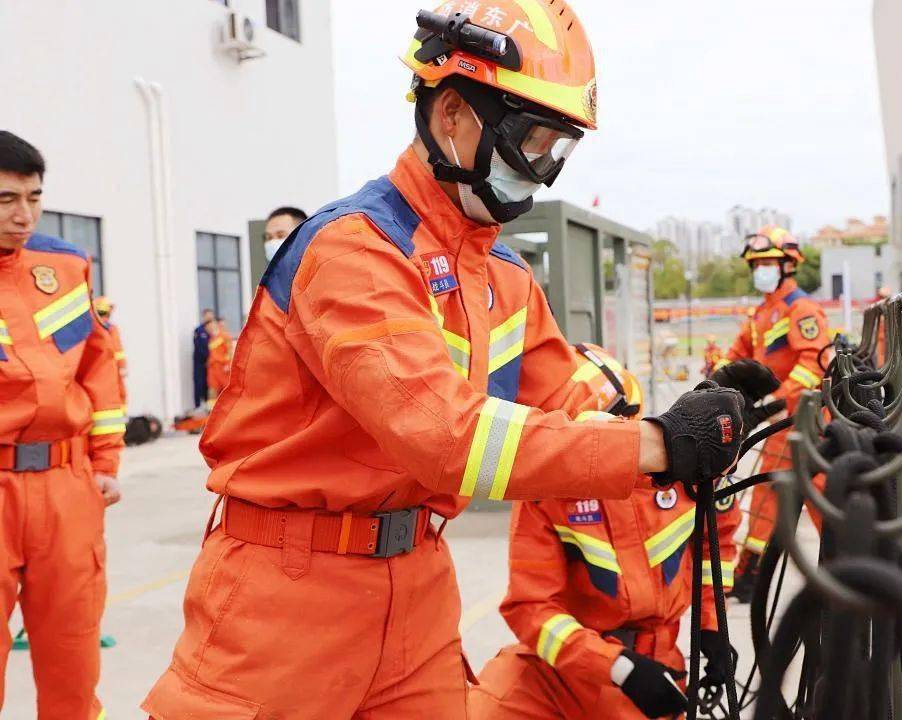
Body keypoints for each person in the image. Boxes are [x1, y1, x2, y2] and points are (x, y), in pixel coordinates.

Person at [142, 4, 744, 718]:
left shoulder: (504, 278)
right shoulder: (357, 252)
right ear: (454, 113)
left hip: (417, 589)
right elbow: (448, 438)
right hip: (287, 595)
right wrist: (657, 445)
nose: (542, 174)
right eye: (533, 143)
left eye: (560, 151)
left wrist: (700, 431)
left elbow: (580, 403)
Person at [469, 344, 744, 720]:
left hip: (654, 673)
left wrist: (713, 626)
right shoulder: (545, 495)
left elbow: (719, 543)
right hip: (561, 674)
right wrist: (618, 667)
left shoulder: (680, 476)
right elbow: (531, 607)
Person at [0, 131, 126, 718]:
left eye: (33, 197)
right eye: (5, 200)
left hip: (65, 486)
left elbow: (98, 371)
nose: (22, 215)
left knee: (73, 657)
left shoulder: (64, 266)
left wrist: (104, 464)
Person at [716, 226, 831, 602]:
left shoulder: (802, 310)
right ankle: (752, 573)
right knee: (769, 496)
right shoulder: (763, 313)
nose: (761, 270)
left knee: (819, 495)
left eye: (767, 263)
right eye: (757, 264)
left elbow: (813, 363)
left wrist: (778, 401)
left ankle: (846, 567)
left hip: (806, 419)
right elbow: (739, 356)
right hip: (780, 423)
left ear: (787, 265)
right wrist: (715, 378)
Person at [94, 295, 127, 408]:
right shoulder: (111, 329)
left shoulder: (92, 328)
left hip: (98, 371)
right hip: (112, 369)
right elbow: (118, 351)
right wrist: (122, 367)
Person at [205, 316, 232, 401]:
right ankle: (211, 410)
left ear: (215, 325)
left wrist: (228, 364)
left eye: (211, 326)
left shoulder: (225, 336)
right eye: (208, 327)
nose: (210, 328)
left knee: (226, 389)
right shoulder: (211, 340)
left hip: (223, 367)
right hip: (213, 368)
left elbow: (230, 351)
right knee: (212, 389)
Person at [191, 308, 214, 408]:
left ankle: (208, 407)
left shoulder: (213, 331)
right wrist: (207, 357)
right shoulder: (199, 331)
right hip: (200, 364)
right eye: (207, 316)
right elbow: (199, 347)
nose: (209, 318)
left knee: (209, 387)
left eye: (211, 316)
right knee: (199, 385)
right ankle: (198, 406)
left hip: (212, 365)